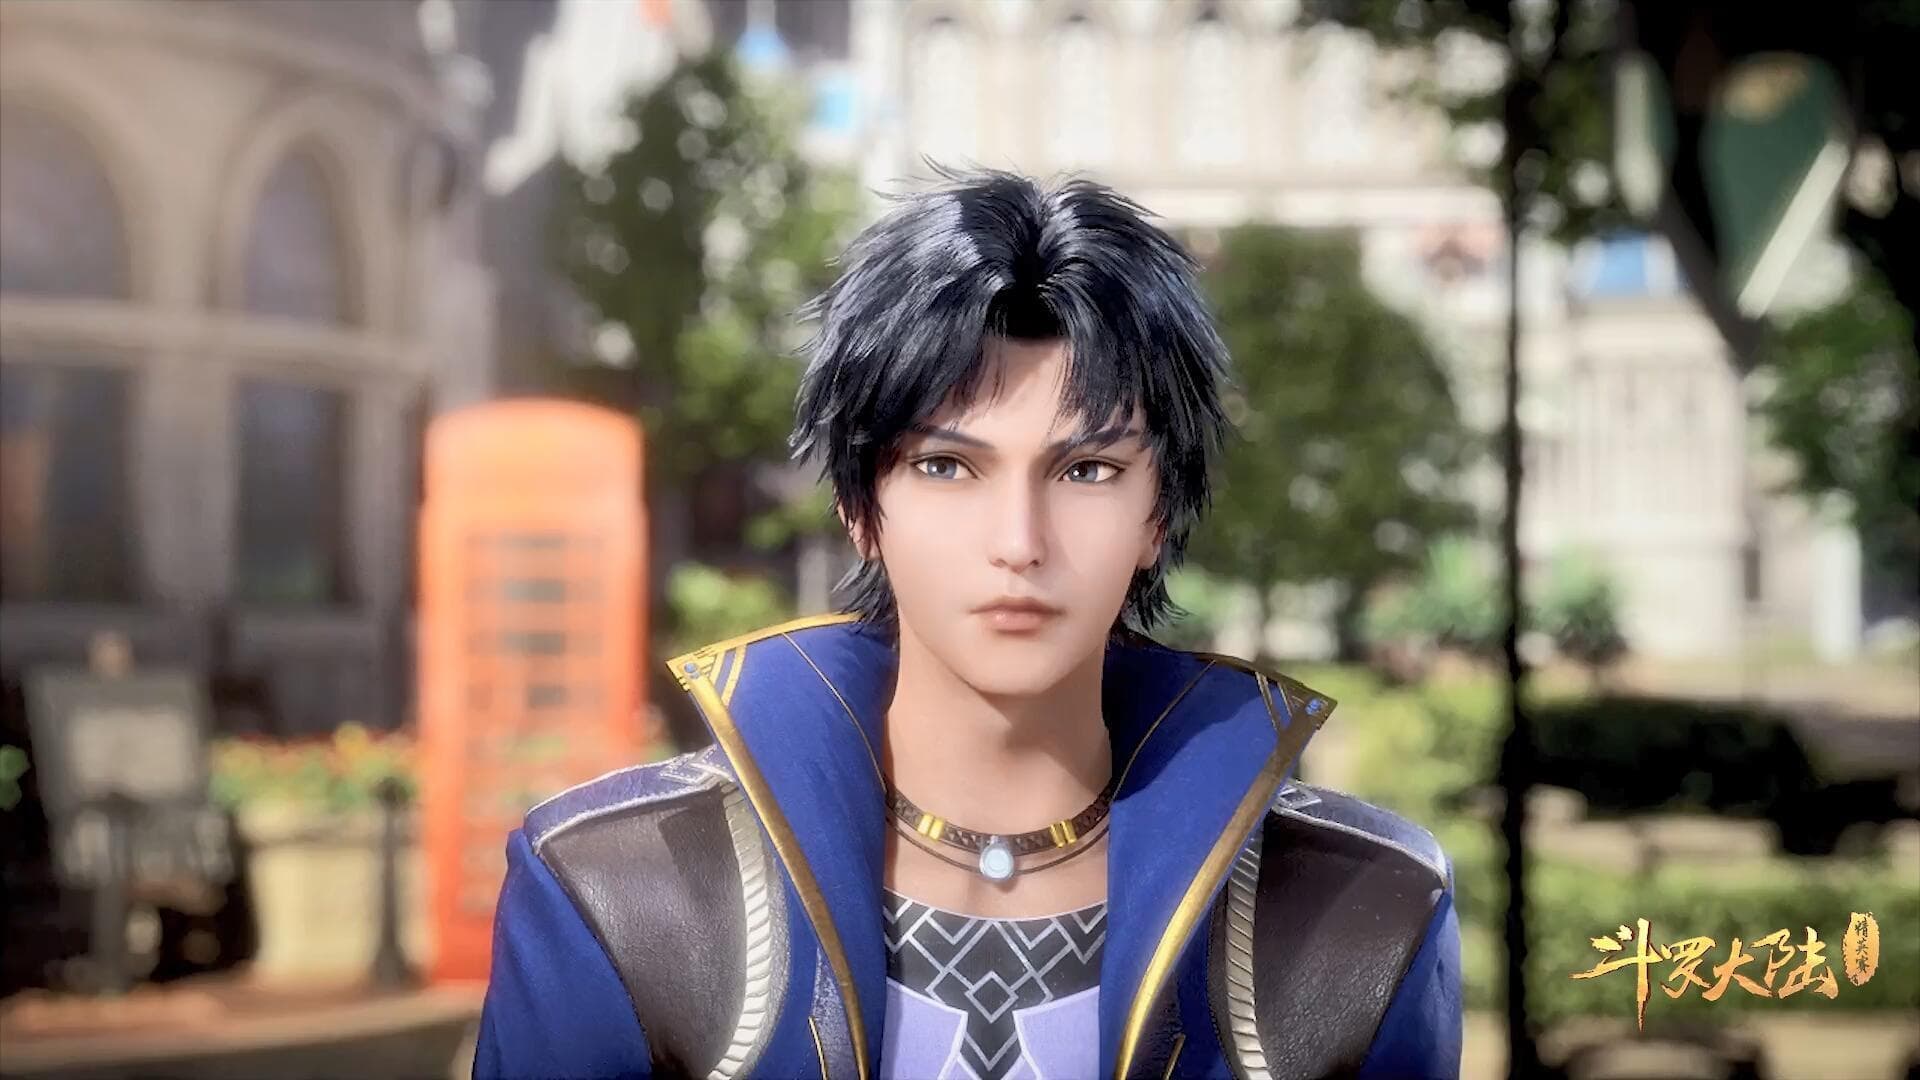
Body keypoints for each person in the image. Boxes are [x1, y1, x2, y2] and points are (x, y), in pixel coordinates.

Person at [476, 169, 1462, 1080]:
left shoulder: (1359, 914)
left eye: (1087, 470)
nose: (1018, 542)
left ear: (1157, 513)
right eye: (946, 466)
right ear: (860, 506)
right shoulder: (616, 891)